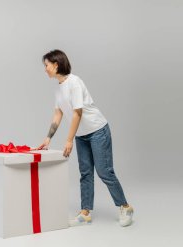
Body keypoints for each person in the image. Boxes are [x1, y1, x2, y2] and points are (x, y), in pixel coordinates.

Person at [38, 49, 133, 227]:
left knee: (105, 172)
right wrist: (48, 138)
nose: (45, 69)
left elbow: (77, 113)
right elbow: (58, 114)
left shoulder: (74, 82)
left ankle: (125, 207)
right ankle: (85, 212)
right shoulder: (58, 89)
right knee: (85, 173)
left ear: (56, 64)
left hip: (98, 130)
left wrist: (68, 140)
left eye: (47, 65)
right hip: (81, 136)